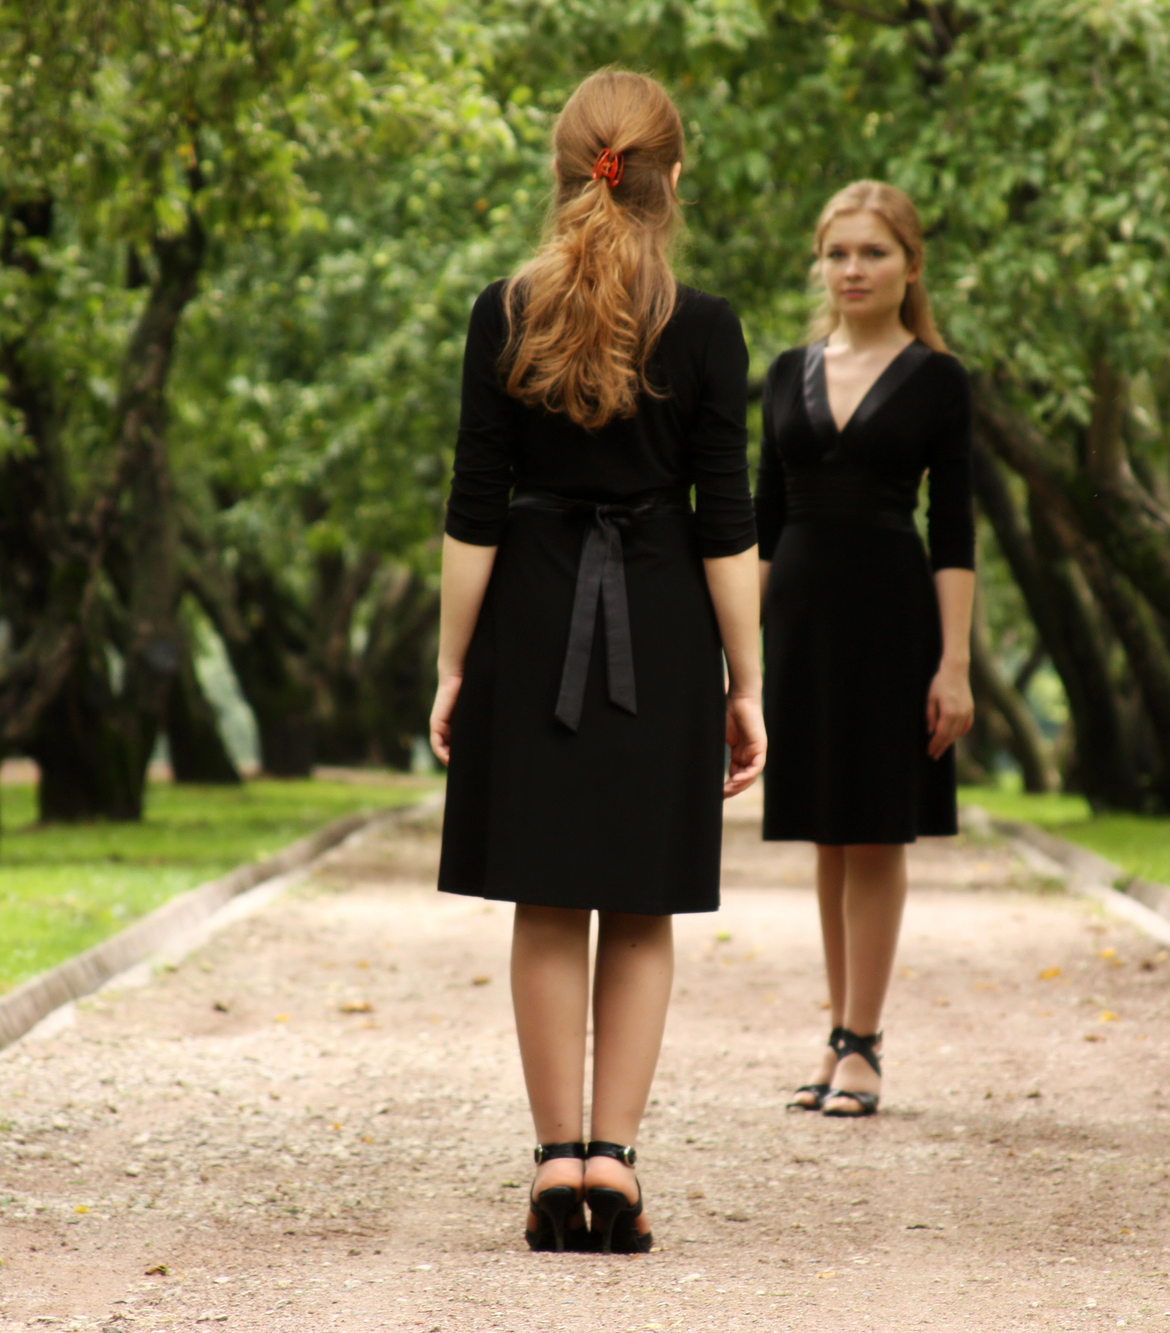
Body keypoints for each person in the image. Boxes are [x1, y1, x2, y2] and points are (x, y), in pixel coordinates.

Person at [429, 69, 766, 1255]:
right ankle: (613, 1164)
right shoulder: (712, 326)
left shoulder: (500, 310)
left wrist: (452, 666)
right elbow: (725, 523)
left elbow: (475, 507)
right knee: (637, 897)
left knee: (544, 894)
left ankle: (551, 1159)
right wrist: (747, 682)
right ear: (672, 178)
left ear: (565, 172)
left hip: (528, 615)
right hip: (664, 624)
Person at [755, 181, 977, 1119]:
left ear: (910, 265)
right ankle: (838, 1031)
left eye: (873, 253)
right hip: (799, 618)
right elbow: (761, 527)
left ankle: (863, 1044)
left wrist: (954, 664)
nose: (853, 268)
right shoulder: (782, 370)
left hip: (894, 619)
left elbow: (955, 530)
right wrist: (736, 659)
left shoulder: (938, 379)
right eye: (838, 252)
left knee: (877, 828)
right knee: (825, 828)